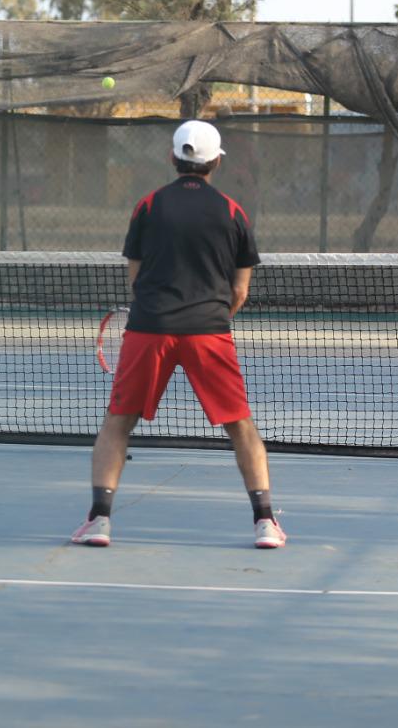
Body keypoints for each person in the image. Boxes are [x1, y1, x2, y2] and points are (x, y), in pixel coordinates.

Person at [71, 120, 283, 550]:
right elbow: (239, 290)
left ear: (173, 157)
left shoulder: (147, 206)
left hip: (149, 330)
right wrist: (212, 314)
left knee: (118, 424)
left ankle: (99, 522)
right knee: (241, 426)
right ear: (216, 161)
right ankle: (265, 524)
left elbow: (135, 277)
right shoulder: (233, 211)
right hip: (209, 333)